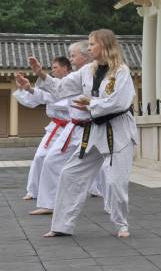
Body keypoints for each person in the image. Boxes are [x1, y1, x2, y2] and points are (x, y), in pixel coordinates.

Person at [29, 29, 137, 238]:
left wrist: (91, 103)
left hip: (119, 131)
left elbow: (120, 102)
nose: (89, 48)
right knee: (70, 173)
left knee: (115, 182)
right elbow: (61, 88)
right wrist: (42, 74)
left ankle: (121, 224)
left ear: (105, 45)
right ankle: (61, 226)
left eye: (92, 44)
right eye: (88, 44)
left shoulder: (121, 71)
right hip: (95, 130)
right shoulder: (87, 70)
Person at [20, 41, 106, 216]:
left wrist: (93, 105)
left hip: (96, 127)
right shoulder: (77, 76)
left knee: (106, 168)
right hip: (73, 128)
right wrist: (39, 76)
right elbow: (58, 89)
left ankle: (112, 203)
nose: (71, 58)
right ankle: (49, 204)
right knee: (50, 160)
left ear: (86, 56)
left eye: (73, 55)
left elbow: (113, 99)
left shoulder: (103, 72)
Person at [15, 57, 72, 201]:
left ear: (65, 68)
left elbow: (64, 101)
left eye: (55, 67)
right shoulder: (51, 84)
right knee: (40, 156)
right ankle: (32, 190)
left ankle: (95, 188)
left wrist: (40, 76)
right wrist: (27, 88)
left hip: (75, 127)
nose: (52, 70)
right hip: (56, 127)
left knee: (89, 159)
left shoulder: (75, 81)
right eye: (51, 68)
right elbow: (40, 98)